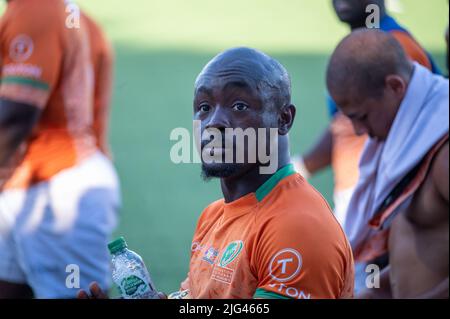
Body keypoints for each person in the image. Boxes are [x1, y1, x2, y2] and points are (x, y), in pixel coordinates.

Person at [78, 47, 355, 299]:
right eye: (204, 108)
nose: (214, 123)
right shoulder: (213, 216)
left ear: (283, 119)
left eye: (239, 106)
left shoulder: (296, 227)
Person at [0, 0, 120, 298]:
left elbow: (15, 116)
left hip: (55, 191)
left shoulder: (36, 9)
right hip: (40, 183)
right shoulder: (78, 19)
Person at [294, 0, 440, 226]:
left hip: (380, 198)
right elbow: (343, 126)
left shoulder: (393, 49)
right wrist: (298, 169)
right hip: (364, 200)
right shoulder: (363, 45)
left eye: (360, 118)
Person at [327, 29, 448, 298]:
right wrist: (376, 292)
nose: (359, 131)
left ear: (395, 87)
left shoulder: (443, 151)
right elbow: (415, 256)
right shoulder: (407, 144)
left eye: (362, 116)